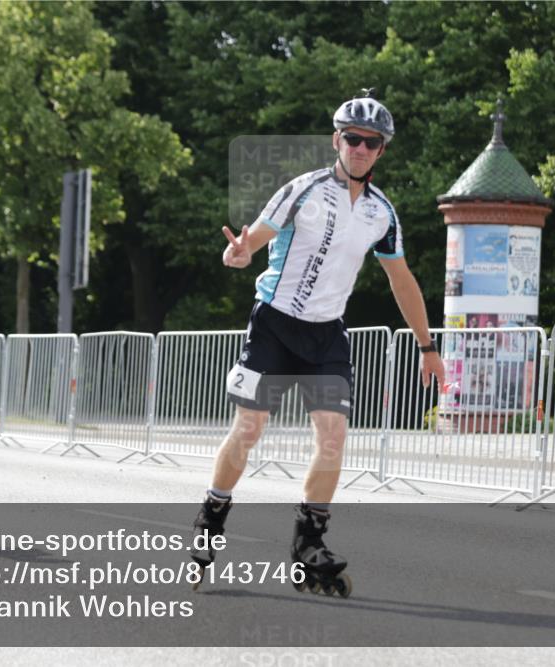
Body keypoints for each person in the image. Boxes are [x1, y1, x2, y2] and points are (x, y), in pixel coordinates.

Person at [190, 90, 445, 597]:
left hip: (327, 333)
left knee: (333, 436)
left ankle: (309, 544)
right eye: (353, 138)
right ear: (337, 140)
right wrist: (239, 254)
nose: (361, 148)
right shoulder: (302, 190)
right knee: (249, 428)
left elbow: (402, 281)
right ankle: (211, 515)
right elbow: (254, 239)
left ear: (382, 152)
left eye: (372, 143)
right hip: (274, 325)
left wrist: (427, 346)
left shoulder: (382, 214)